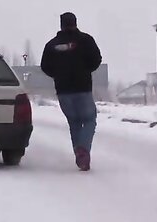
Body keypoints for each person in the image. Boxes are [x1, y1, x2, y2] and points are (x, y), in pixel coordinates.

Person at [41, 12, 102, 171]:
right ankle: (83, 149)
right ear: (75, 23)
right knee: (89, 119)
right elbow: (96, 59)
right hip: (83, 88)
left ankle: (79, 153)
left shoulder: (51, 45)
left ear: (61, 25)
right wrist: (85, 70)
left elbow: (45, 67)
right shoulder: (86, 40)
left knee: (74, 122)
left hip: (63, 90)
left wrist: (58, 75)